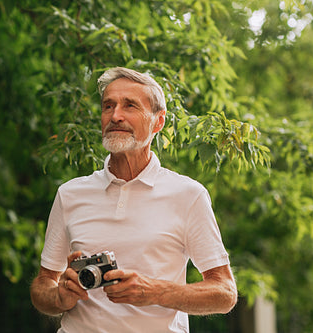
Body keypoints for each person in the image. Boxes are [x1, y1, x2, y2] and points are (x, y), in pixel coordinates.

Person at [30, 67, 237, 332]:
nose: (115, 116)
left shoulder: (188, 195)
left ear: (158, 122)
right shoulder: (70, 194)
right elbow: (43, 283)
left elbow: (224, 292)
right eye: (108, 106)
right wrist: (58, 297)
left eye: (130, 106)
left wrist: (155, 292)